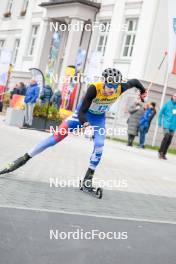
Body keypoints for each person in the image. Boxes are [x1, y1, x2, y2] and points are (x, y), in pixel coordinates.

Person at [0, 68, 146, 189]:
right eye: (109, 87)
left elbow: (134, 82)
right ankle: (22, 159)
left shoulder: (120, 87)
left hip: (98, 118)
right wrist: (86, 126)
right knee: (54, 139)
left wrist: (143, 91)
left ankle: (87, 179)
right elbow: (82, 112)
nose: (111, 91)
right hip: (81, 115)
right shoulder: (94, 88)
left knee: (100, 145)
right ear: (104, 82)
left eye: (115, 88)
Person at [158, 93, 176, 159]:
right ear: (172, 96)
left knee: (169, 140)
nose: (175, 97)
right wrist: (159, 121)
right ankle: (161, 152)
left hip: (173, 126)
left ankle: (164, 153)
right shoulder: (167, 103)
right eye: (174, 96)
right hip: (166, 124)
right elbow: (160, 113)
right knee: (166, 136)